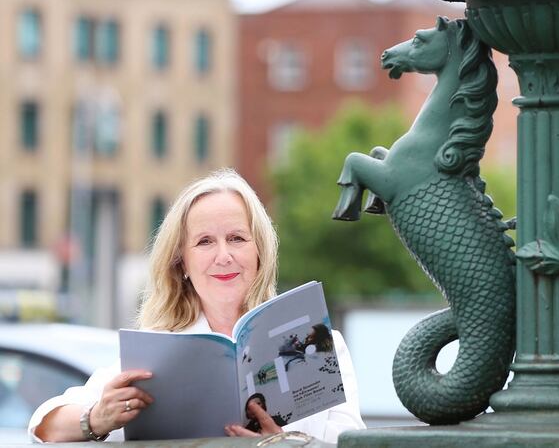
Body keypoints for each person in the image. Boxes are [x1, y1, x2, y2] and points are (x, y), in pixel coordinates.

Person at [28, 169, 365, 442]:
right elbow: (44, 425)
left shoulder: (321, 342)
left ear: (259, 252)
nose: (223, 256)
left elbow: (352, 441)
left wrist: (288, 443)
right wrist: (96, 419)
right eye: (205, 242)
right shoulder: (155, 353)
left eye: (237, 238)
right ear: (183, 264)